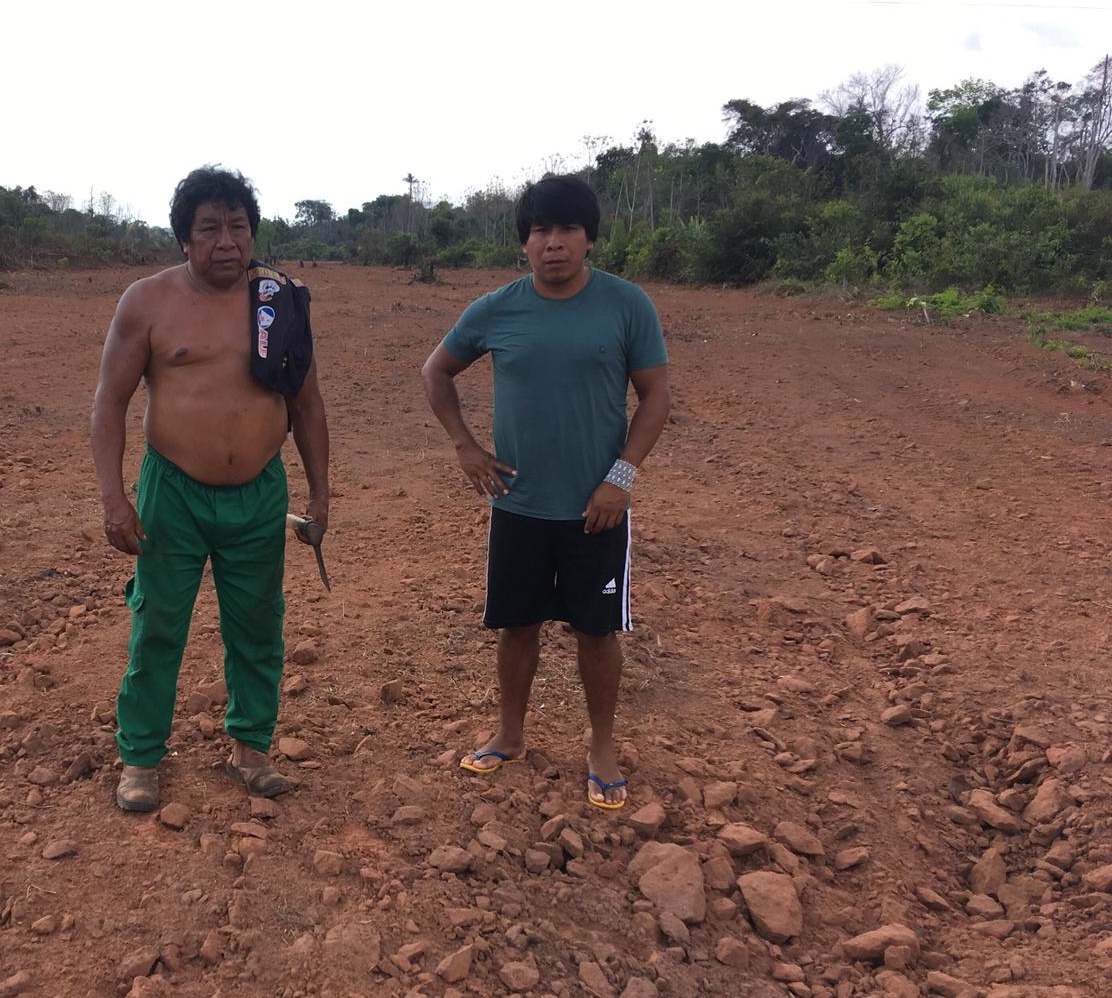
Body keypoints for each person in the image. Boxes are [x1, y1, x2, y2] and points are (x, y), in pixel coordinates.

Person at [421, 175, 670, 810]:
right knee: (518, 624)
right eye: (539, 231)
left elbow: (656, 397)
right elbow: (437, 371)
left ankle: (602, 745)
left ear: (588, 238)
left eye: (566, 230)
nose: (552, 243)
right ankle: (509, 733)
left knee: (596, 633)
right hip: (519, 504)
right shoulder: (496, 308)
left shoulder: (626, 305)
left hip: (597, 509)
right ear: (524, 243)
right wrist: (465, 445)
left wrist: (621, 477)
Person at [91, 166, 330, 812]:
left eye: (239, 226)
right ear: (184, 239)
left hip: (260, 493)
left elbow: (307, 405)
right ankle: (140, 755)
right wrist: (115, 498)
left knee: (257, 624)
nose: (227, 242)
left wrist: (320, 493)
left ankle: (251, 748)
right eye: (210, 228)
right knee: (158, 623)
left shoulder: (278, 299)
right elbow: (109, 403)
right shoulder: (147, 302)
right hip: (174, 492)